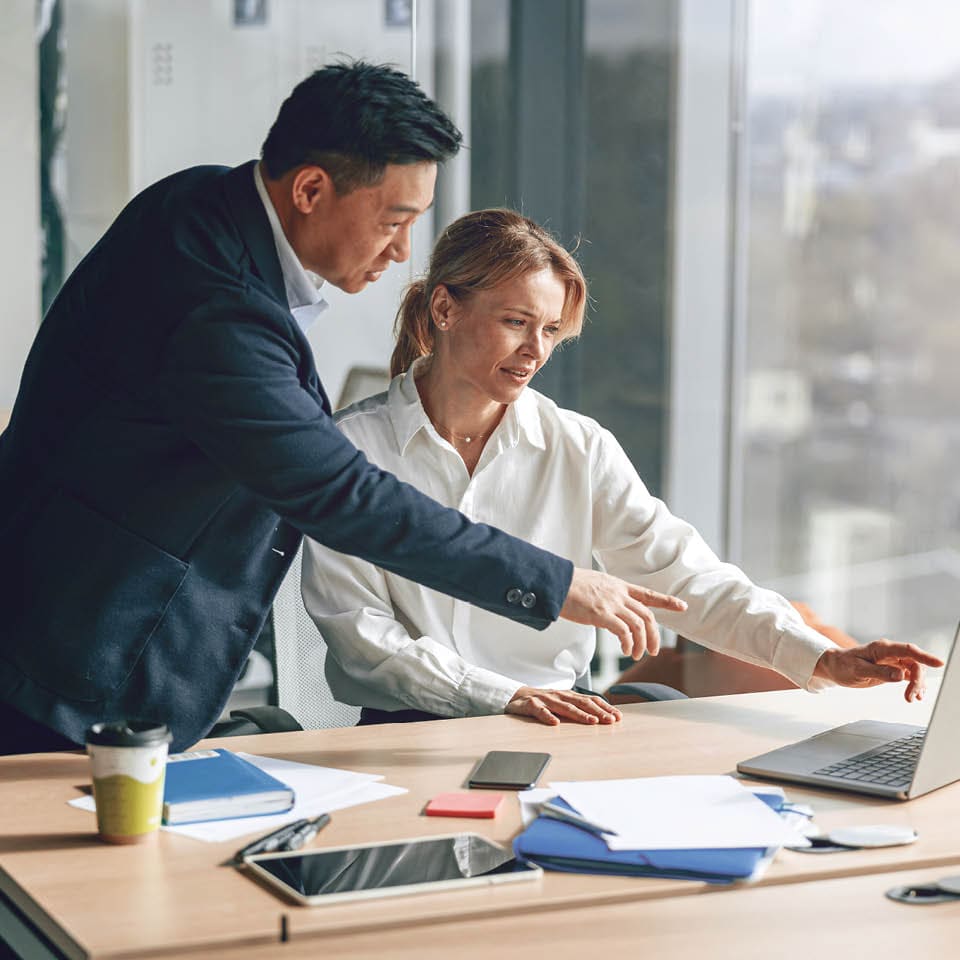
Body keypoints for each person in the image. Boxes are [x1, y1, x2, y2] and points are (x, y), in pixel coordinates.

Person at [0, 63, 685, 755]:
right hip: (66, 653)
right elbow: (340, 494)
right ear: (309, 190)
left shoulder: (200, 202)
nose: (404, 249)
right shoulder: (216, 308)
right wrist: (553, 584)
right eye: (394, 220)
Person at [301, 208, 942, 727]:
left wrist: (824, 657)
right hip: (409, 734)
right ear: (445, 310)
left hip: (561, 727)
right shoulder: (349, 450)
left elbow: (686, 579)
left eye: (552, 330)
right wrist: (504, 696)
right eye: (516, 322)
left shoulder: (578, 446)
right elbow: (363, 634)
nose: (535, 351)